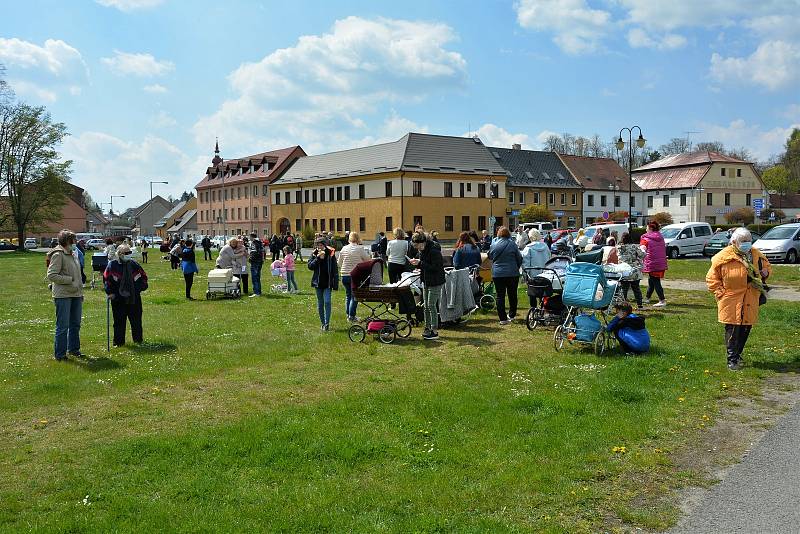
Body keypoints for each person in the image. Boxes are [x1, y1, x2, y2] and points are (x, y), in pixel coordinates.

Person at [706, 228, 771, 370]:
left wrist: (766, 272)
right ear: (734, 242)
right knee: (733, 327)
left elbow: (766, 266)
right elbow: (712, 278)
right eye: (744, 241)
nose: (747, 244)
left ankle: (738, 354)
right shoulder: (722, 257)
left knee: (746, 326)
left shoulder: (756, 254)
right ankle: (732, 359)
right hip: (730, 298)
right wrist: (720, 292)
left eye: (749, 241)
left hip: (750, 297)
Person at [46, 230, 85, 360]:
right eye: (74, 240)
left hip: (76, 294)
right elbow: (51, 275)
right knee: (63, 326)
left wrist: (80, 292)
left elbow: (78, 275)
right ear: (68, 241)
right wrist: (69, 280)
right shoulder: (58, 254)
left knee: (76, 324)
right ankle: (60, 354)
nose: (76, 242)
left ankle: (74, 349)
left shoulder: (73, 253)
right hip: (63, 295)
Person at [103, 244, 148, 347]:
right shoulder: (112, 265)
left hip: (134, 298)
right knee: (119, 322)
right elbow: (107, 279)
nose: (129, 254)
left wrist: (138, 289)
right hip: (118, 299)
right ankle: (118, 343)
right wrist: (110, 293)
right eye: (126, 253)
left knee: (136, 321)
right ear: (120, 254)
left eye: (130, 252)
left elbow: (144, 277)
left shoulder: (134, 264)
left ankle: (138, 341)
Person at [409, 231, 445, 340]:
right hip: (426, 280)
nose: (416, 248)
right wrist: (417, 264)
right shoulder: (422, 250)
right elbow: (425, 265)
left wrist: (420, 263)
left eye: (417, 246)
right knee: (425, 306)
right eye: (414, 246)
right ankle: (427, 327)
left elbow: (436, 267)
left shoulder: (434, 251)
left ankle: (434, 330)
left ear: (423, 242)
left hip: (435, 281)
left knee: (431, 305)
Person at [489, 226, 523, 325]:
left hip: (497, 273)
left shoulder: (494, 244)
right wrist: (516, 267)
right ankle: (512, 315)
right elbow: (519, 258)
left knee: (500, 296)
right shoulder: (512, 244)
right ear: (508, 234)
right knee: (512, 294)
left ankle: (502, 318)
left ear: (499, 234)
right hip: (512, 272)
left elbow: (490, 256)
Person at [337, 231, 372, 322]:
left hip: (344, 274)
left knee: (348, 295)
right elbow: (368, 260)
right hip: (355, 275)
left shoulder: (344, 248)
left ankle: (348, 314)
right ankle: (351, 316)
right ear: (357, 239)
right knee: (354, 296)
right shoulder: (360, 248)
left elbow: (339, 262)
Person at [308, 237, 339, 331]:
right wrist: (318, 258)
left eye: (321, 245)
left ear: (325, 245)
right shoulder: (314, 254)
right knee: (320, 303)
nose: (319, 247)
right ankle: (323, 323)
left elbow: (335, 269)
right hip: (318, 283)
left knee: (327, 301)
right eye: (318, 245)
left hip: (328, 283)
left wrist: (336, 283)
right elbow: (310, 266)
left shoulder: (331, 253)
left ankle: (327, 323)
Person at [521, 229, 551, 307]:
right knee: (543, 293)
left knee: (532, 294)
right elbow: (549, 259)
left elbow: (525, 264)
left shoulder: (528, 248)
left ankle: (533, 310)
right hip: (545, 274)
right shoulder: (545, 246)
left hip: (533, 275)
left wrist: (525, 276)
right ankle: (542, 308)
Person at [641, 221, 668, 307]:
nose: (646, 229)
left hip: (652, 263)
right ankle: (647, 298)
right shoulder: (660, 237)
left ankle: (662, 300)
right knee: (651, 280)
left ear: (651, 228)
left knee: (656, 282)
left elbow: (642, 249)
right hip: (660, 263)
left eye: (647, 227)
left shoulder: (646, 238)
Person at [617, 232, 645, 308]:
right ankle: (640, 305)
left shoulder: (619, 247)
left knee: (624, 289)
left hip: (624, 271)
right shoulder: (634, 246)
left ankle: (622, 305)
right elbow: (642, 255)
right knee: (636, 288)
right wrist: (643, 249)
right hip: (634, 271)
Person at [248, 232, 265, 297]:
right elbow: (262, 252)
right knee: (257, 277)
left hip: (255, 262)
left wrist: (250, 258)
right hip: (259, 261)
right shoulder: (260, 242)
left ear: (252, 237)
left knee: (255, 277)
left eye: (250, 237)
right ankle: (258, 292)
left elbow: (255, 253)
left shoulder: (254, 243)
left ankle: (256, 292)